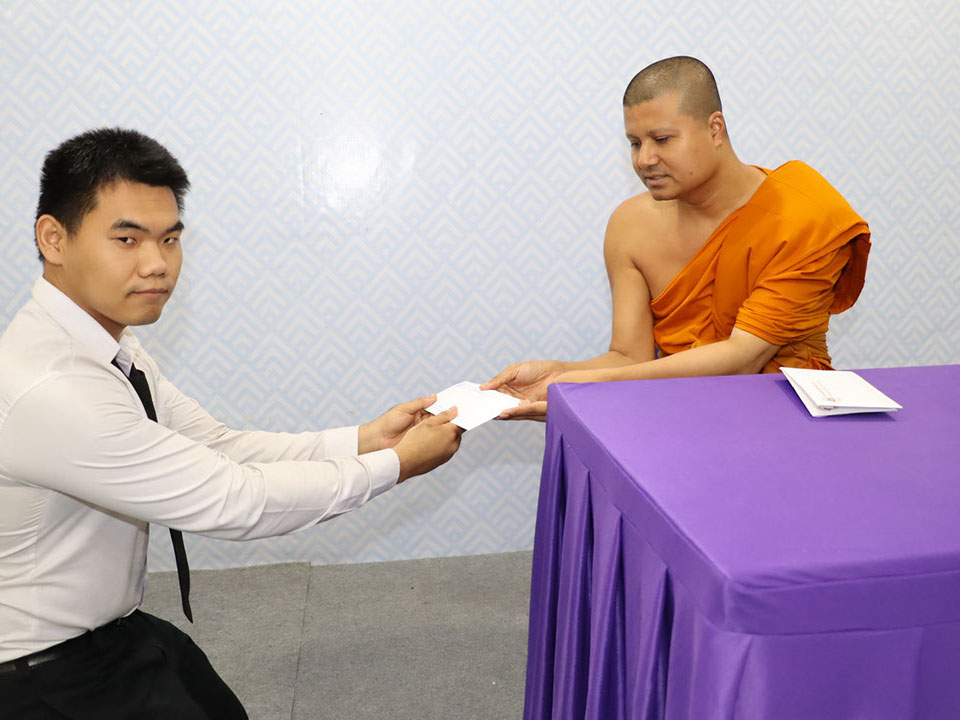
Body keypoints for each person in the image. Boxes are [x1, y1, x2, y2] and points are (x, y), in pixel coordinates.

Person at [0, 127, 463, 719]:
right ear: (53, 238)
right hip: (39, 671)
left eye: (170, 239)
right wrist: (396, 465)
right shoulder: (53, 387)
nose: (157, 264)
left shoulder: (105, 347)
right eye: (127, 239)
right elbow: (235, 500)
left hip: (111, 632)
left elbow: (218, 446)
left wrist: (370, 439)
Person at [484, 56, 871, 420]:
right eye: (635, 143)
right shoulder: (630, 225)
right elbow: (630, 358)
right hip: (673, 414)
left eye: (662, 139)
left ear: (715, 129)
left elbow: (743, 359)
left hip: (787, 417)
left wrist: (577, 386)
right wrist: (556, 374)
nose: (644, 160)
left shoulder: (803, 215)